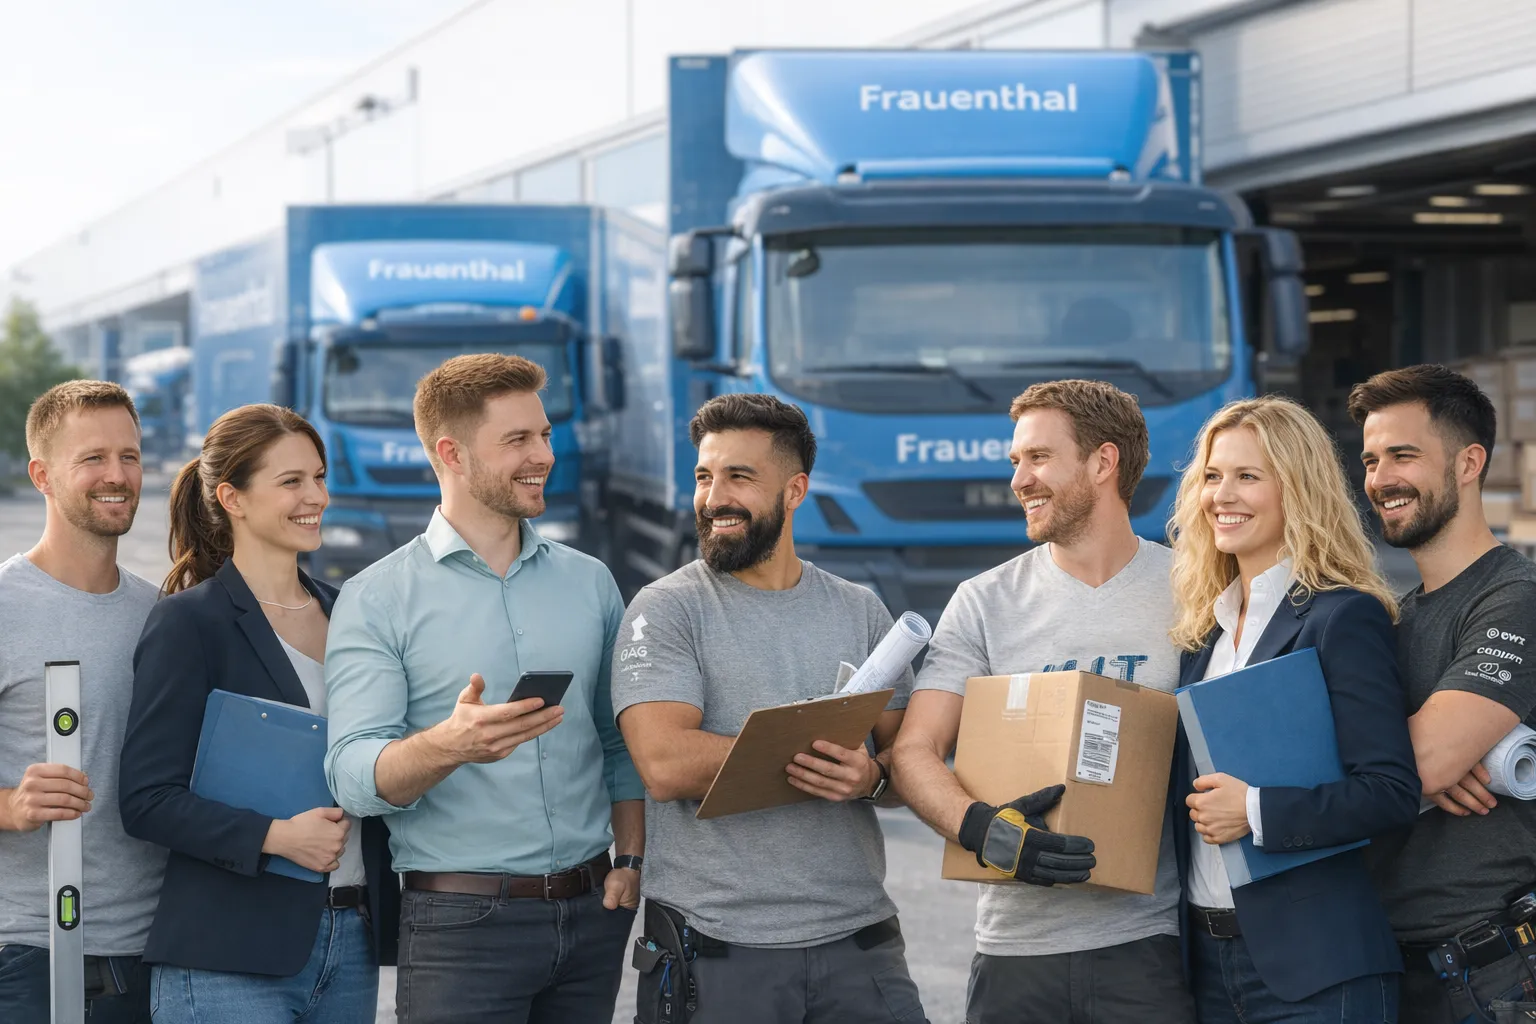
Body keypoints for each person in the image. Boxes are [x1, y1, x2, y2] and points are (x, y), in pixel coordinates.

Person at [323, 353, 643, 1024]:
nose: (544, 455)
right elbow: (353, 776)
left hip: (593, 914)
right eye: (518, 440)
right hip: (461, 928)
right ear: (452, 453)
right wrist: (448, 744)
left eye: (545, 434)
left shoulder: (591, 582)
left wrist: (631, 859)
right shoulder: (377, 597)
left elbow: (617, 741)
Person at [613, 393, 926, 1024]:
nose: (713, 496)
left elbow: (908, 764)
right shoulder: (666, 608)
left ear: (795, 490)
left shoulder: (859, 609)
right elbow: (665, 762)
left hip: (860, 943)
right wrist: (818, 753)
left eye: (739, 477)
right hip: (717, 949)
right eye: (704, 476)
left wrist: (873, 777)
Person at [891, 379, 1192, 1024]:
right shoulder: (984, 601)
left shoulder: (1191, 591)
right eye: (1016, 462)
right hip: (1016, 952)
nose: (1019, 480)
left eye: (1038, 458)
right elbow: (914, 751)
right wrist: (986, 832)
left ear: (1103, 463)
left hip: (1151, 944)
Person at [117, 404, 399, 1023]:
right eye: (291, 481)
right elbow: (145, 798)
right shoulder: (190, 622)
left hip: (350, 941)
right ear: (232, 498)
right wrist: (276, 838)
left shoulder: (352, 614)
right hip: (227, 953)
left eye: (319, 478)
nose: (315, 496)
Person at [1167, 396, 1420, 1022]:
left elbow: (1389, 791)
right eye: (1212, 476)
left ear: (1297, 490)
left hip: (1318, 969)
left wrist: (1253, 810)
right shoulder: (1205, 634)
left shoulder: (1342, 617)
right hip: (1204, 964)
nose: (1222, 495)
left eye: (1248, 476)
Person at [1348, 365, 1536, 1023]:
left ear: (1468, 463)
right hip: (1393, 965)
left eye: (1403, 455)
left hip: (1494, 976)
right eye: (1371, 460)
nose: (1379, 479)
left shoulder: (1514, 599)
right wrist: (1408, 764)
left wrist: (1413, 768)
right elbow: (1411, 768)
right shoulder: (1395, 617)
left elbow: (1422, 764)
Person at [0, 381, 166, 1023]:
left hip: (160, 957)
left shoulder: (161, 614)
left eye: (130, 456)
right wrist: (12, 806)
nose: (117, 475)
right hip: (32, 959)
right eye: (93, 458)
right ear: (41, 474)